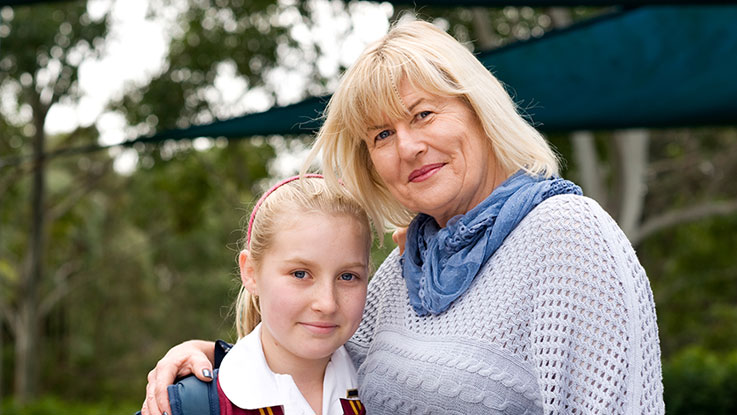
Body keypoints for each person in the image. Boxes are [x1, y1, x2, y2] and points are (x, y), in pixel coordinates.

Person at [141, 20, 664, 415]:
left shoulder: (566, 236)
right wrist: (212, 362)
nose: (408, 146)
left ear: (478, 110)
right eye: (382, 135)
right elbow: (313, 355)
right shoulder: (401, 272)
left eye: (423, 114)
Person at [155, 174, 372, 415]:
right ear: (250, 272)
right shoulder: (191, 405)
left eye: (348, 276)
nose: (327, 303)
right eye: (300, 274)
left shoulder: (390, 391)